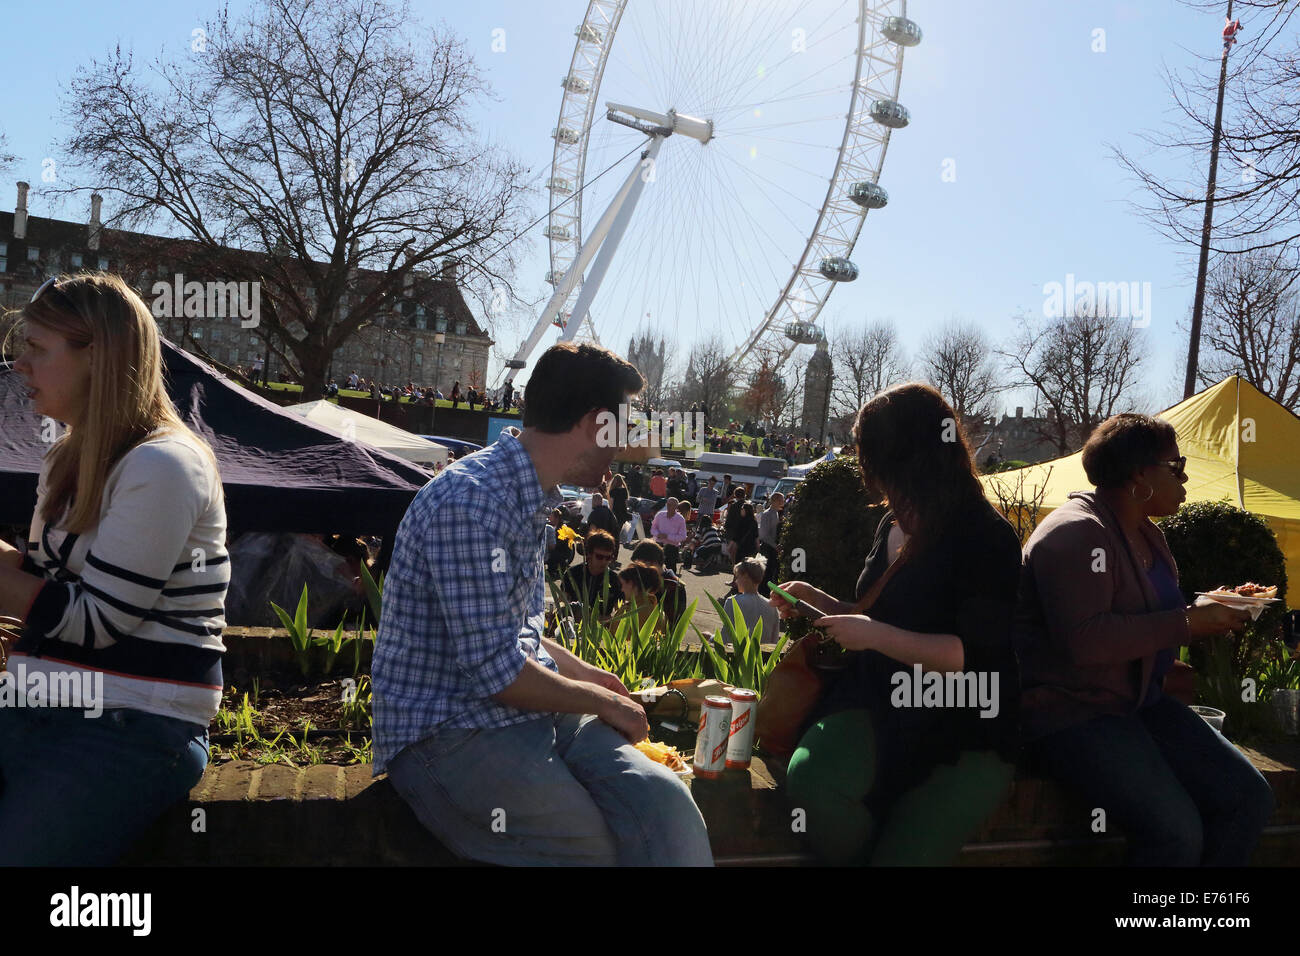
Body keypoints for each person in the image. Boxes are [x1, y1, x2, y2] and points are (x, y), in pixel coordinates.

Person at [373, 341, 711, 866]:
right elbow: (493, 670)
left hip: (526, 715)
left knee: (669, 809)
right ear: (595, 422)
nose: (622, 449)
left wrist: (591, 677)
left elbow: (515, 633)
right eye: (621, 430)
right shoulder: (474, 502)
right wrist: (600, 702)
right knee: (592, 850)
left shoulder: (527, 494)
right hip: (450, 733)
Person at [0, 273, 228, 865]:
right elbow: (57, 576)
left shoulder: (166, 465)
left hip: (135, 722)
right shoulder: (66, 455)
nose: (19, 363)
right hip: (35, 703)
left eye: (36, 348)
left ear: (97, 358)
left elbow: (99, 619)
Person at [771, 382, 1022, 865]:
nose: (867, 472)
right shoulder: (893, 522)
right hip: (881, 700)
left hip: (964, 725)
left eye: (870, 457)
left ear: (903, 460)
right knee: (811, 784)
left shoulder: (987, 536)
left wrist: (873, 635)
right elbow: (876, 616)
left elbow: (970, 655)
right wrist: (817, 603)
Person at [1016, 413, 1273, 865]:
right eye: (1175, 466)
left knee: (1247, 797)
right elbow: (1085, 640)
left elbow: (1147, 616)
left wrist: (1218, 610)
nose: (1185, 476)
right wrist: (1189, 623)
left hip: (1136, 705)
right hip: (1075, 714)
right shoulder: (1077, 535)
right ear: (1139, 474)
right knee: (1175, 834)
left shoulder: (1145, 534)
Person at [560, 530, 623, 619]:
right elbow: (562, 602)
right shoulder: (572, 574)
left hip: (600, 627)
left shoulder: (614, 580)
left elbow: (619, 611)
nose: (604, 561)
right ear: (589, 554)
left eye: (608, 558)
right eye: (599, 557)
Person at [629, 540, 687, 628]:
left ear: (653, 564)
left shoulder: (674, 587)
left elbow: (672, 623)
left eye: (640, 566)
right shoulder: (644, 579)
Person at [722, 556, 780, 642]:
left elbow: (726, 637)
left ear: (745, 576)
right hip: (763, 654)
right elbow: (774, 640)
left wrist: (711, 638)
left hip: (738, 653)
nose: (736, 581)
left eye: (737, 577)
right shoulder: (772, 606)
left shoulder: (732, 602)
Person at [618, 562, 664, 632]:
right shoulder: (656, 610)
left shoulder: (629, 613)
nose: (620, 589)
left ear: (631, 584)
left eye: (621, 584)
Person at [650, 497, 688, 573]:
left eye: (671, 505)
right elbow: (653, 529)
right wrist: (658, 534)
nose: (668, 506)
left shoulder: (680, 519)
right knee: (655, 569)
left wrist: (667, 536)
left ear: (676, 507)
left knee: (670, 571)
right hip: (658, 545)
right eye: (668, 504)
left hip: (672, 548)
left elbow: (683, 536)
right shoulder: (660, 515)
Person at [757, 492, 785, 588]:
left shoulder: (776, 513)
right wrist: (775, 546)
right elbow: (763, 535)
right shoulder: (767, 514)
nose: (783, 502)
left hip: (773, 547)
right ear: (774, 501)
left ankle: (765, 591)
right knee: (766, 572)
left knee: (771, 571)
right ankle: (762, 591)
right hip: (768, 547)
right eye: (781, 500)